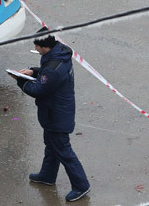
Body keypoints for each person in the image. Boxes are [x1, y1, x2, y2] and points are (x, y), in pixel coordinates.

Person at [9, 33, 91, 202]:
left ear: (44, 47)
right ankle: (47, 175)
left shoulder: (54, 67)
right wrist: (34, 71)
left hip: (56, 116)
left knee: (63, 150)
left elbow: (39, 89)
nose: (35, 48)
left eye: (36, 46)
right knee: (52, 146)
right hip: (55, 113)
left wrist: (20, 81)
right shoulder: (57, 54)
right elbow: (46, 74)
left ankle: (81, 186)